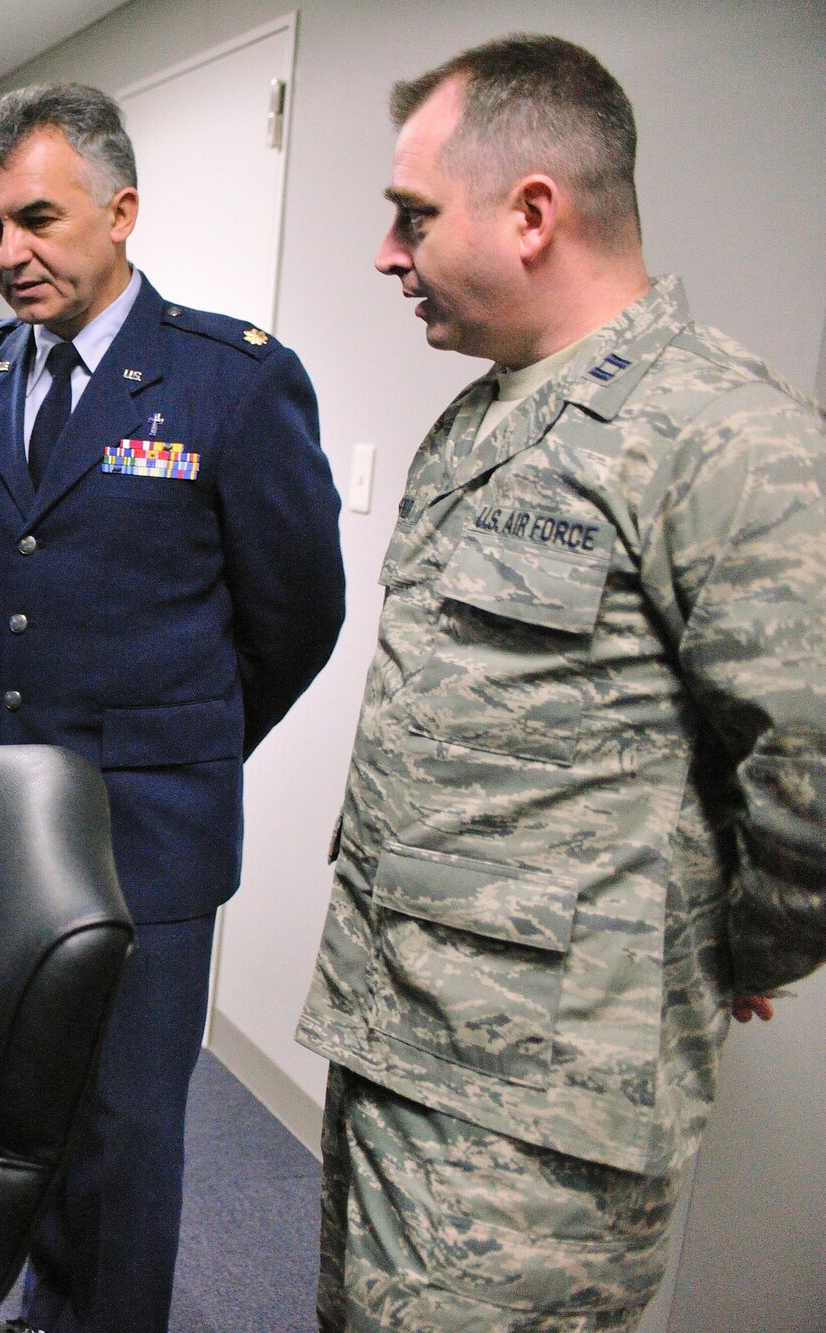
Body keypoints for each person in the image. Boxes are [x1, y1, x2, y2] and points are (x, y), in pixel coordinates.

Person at [299, 33, 826, 1330]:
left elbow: (815, 767)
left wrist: (723, 942)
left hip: (535, 1127)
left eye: (412, 215)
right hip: (397, 1044)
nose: (385, 253)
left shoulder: (727, 438)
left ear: (532, 212)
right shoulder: (485, 417)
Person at [0, 84, 344, 1331]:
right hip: (11, 820)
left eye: (37, 220)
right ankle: (44, 1309)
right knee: (23, 1109)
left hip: (148, 834)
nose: (10, 253)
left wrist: (183, 742)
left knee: (121, 1133)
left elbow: (294, 615)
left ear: (119, 213)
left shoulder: (231, 382)